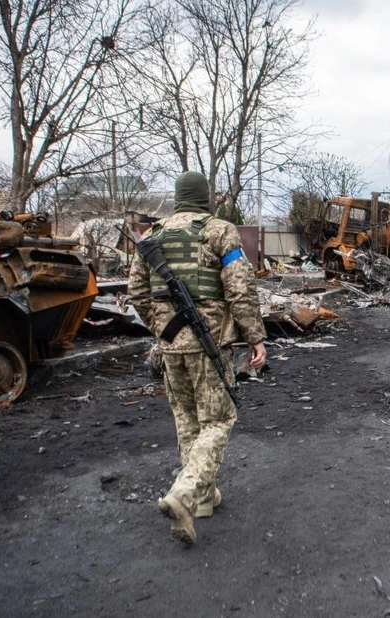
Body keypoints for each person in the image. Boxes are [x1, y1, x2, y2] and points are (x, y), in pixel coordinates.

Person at [128, 171, 267, 545]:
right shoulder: (219, 231)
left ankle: (203, 499)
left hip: (170, 344)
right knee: (219, 419)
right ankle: (185, 495)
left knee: (188, 419)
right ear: (206, 198)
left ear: (177, 197)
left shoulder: (151, 236)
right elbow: (239, 288)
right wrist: (254, 337)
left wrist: (160, 326)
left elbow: (137, 293)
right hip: (210, 344)